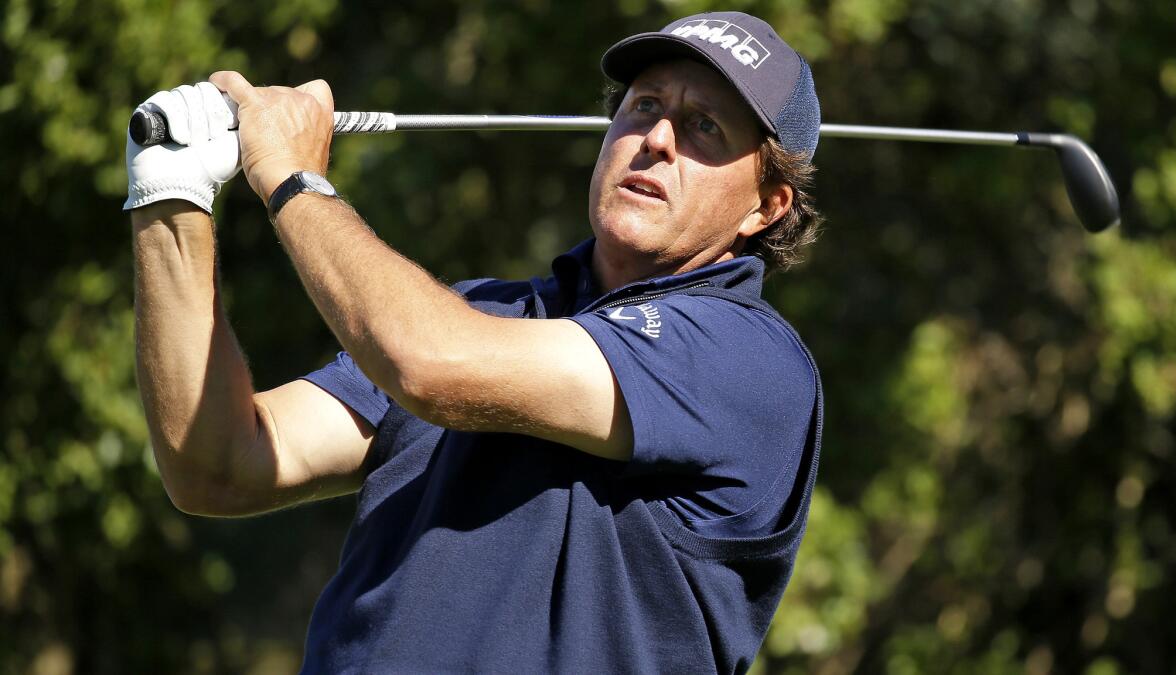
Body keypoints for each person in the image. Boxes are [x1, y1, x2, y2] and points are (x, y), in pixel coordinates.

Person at [126, 10, 825, 673]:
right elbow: (219, 462)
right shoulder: (477, 312)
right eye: (644, 106)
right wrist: (170, 196)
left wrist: (291, 177)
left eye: (705, 126)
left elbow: (430, 365)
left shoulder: (747, 358)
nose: (659, 138)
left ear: (767, 207)